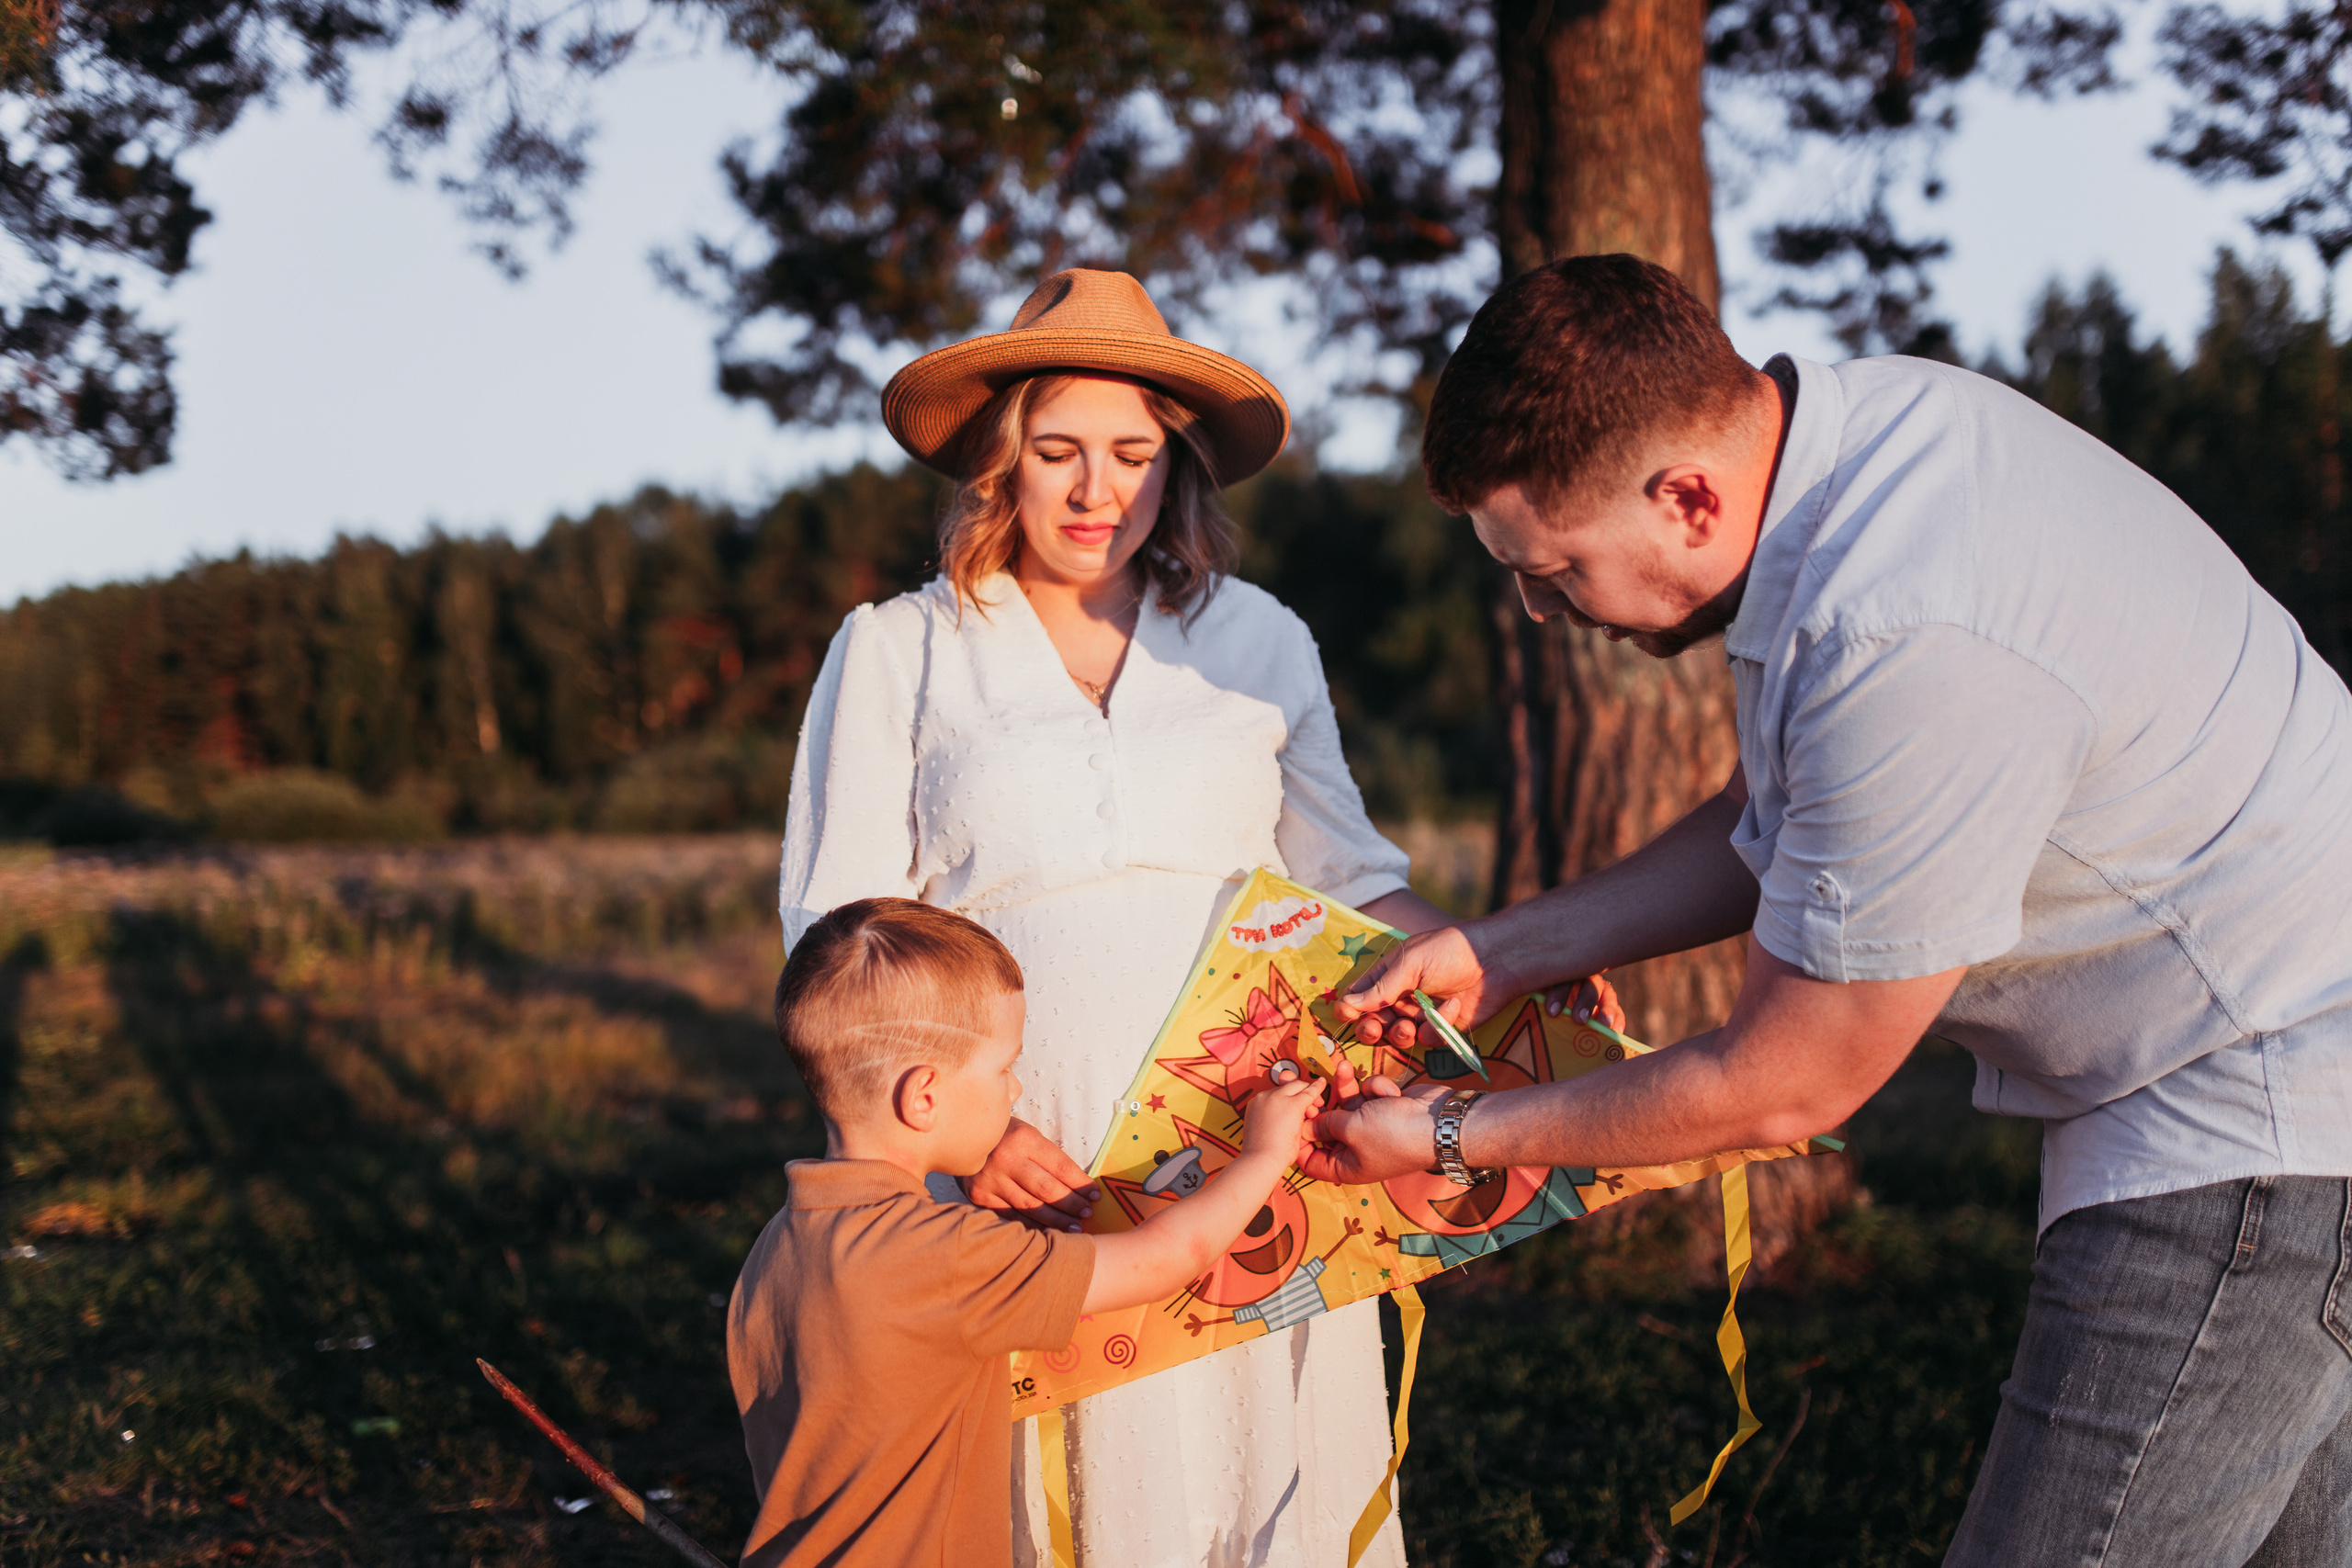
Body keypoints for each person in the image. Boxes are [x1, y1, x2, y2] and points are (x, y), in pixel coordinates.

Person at [1305, 254, 2352, 1565]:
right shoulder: (1855, 450)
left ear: (1688, 497)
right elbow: (1790, 824)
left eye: (1557, 568)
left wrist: (1450, 1131)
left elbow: (1784, 1084)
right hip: (2245, 1057)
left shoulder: (1900, 628)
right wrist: (1500, 951)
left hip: (2259, 1100)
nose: (1542, 609)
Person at [778, 267, 1455, 1566]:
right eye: (1059, 452)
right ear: (999, 462)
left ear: (1176, 466)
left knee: (1267, 1463)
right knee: (1076, 1477)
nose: (1099, 492)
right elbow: (842, 927)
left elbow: (1352, 874)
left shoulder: (1258, 637)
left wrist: (1508, 967)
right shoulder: (903, 646)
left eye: (1134, 455)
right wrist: (973, 1137)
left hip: (1243, 1116)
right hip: (1028, 1142)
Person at [729, 897, 1325, 1568]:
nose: (1014, 1091)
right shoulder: (948, 1254)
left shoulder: (774, 1249)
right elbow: (1168, 1257)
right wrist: (1263, 1154)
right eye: (1004, 1067)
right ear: (923, 1097)